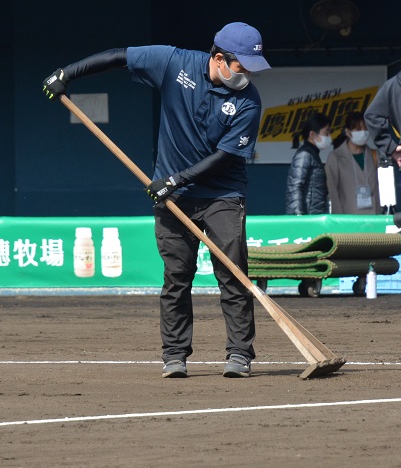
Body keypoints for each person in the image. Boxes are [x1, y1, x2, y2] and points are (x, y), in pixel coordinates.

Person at [42, 22, 271, 379]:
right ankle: (175, 355)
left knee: (233, 274)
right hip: (173, 195)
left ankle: (239, 354)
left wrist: (176, 179)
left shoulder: (248, 100)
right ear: (219, 58)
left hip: (222, 194)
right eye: (241, 66)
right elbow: (119, 57)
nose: (246, 76)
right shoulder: (173, 63)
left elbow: (225, 157)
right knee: (177, 277)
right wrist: (65, 74)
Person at [326, 111, 381, 214]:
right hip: (348, 220)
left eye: (365, 128)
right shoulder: (335, 157)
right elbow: (332, 193)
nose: (363, 132)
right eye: (359, 129)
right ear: (348, 132)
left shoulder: (375, 155)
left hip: (373, 218)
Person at [285, 112, 331, 215]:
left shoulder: (313, 155)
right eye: (326, 133)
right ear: (312, 134)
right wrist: (298, 216)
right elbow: (295, 186)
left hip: (315, 216)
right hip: (307, 218)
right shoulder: (304, 154)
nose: (329, 137)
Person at [364, 68, 401, 168]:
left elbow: (371, 116)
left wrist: (391, 148)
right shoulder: (393, 86)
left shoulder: (392, 85)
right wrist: (391, 147)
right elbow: (371, 116)